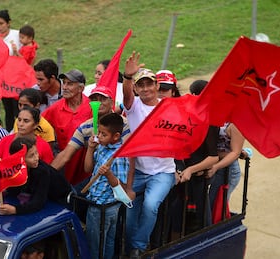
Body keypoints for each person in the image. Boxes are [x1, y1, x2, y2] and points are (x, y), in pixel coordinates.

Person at [122, 52, 176, 257]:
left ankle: (139, 249)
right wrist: (127, 77)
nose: (145, 89)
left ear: (156, 87)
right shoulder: (133, 106)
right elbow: (126, 97)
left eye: (149, 84)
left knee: (151, 206)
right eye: (140, 85)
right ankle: (130, 248)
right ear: (136, 88)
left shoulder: (168, 107)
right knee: (128, 217)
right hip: (137, 172)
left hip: (163, 172)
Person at [50, 85, 131, 188]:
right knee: (73, 196)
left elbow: (128, 156)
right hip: (96, 177)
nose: (98, 102)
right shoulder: (85, 127)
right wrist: (47, 174)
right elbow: (65, 155)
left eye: (103, 99)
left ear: (111, 102)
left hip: (118, 178)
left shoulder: (122, 123)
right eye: (94, 99)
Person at [173, 79, 219, 235]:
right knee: (178, 212)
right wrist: (179, 167)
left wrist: (190, 170)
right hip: (182, 175)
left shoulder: (211, 120)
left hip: (199, 176)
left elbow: (213, 158)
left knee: (200, 216)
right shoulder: (184, 116)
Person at [83, 112, 129, 259]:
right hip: (96, 202)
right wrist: (90, 149)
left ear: (115, 136)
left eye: (103, 134)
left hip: (104, 206)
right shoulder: (102, 147)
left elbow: (122, 185)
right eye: (99, 133)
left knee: (97, 244)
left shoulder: (120, 155)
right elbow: (88, 169)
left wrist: (109, 174)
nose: (99, 137)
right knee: (104, 241)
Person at [42, 69, 92, 185]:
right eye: (64, 83)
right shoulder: (56, 108)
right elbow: (38, 125)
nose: (64, 87)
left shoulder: (92, 107)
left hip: (88, 171)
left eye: (70, 84)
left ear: (81, 88)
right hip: (65, 168)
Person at [0, 106, 53, 177]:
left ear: (35, 125)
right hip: (7, 188)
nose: (20, 124)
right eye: (19, 120)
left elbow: (47, 173)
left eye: (26, 121)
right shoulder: (5, 141)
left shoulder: (44, 146)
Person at [0, 9, 20, 132]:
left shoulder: (18, 35)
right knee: (8, 109)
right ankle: (9, 134)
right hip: (2, 80)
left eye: (1, 23)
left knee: (18, 108)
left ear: (8, 23)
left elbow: (28, 54)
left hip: (18, 79)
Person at [208, 122, 245, 206]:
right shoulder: (217, 118)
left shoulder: (235, 124)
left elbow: (235, 153)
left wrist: (216, 167)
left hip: (227, 170)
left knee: (216, 204)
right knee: (212, 203)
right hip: (214, 165)